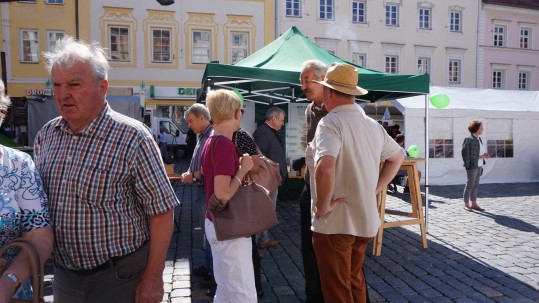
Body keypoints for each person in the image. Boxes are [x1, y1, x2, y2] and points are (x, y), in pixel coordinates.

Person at [34, 36, 179, 303]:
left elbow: (161, 212)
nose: (63, 93)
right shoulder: (46, 135)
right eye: (56, 84)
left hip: (120, 278)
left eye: (74, 84)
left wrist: (153, 277)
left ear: (102, 87)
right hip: (64, 277)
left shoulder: (133, 137)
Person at [311, 63, 404, 302]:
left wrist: (323, 206)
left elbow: (325, 168)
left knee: (338, 291)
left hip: (336, 223)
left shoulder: (331, 122)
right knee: (354, 280)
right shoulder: (372, 126)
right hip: (363, 220)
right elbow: (397, 156)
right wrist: (378, 186)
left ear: (329, 92)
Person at [200, 89, 257, 302]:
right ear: (235, 113)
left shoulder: (211, 140)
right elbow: (223, 194)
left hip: (216, 221)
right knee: (242, 293)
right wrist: (243, 169)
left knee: (225, 289)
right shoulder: (223, 143)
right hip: (228, 224)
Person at [0, 80, 53, 302]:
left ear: (2, 111)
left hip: (12, 293)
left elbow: (39, 236)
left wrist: (9, 281)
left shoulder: (18, 165)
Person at [298, 59, 328, 303]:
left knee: (330, 246)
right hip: (310, 185)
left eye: (307, 80)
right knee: (308, 243)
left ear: (322, 78)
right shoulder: (310, 109)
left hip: (329, 186)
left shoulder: (336, 108)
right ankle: (313, 295)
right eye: (301, 81)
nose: (303, 85)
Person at [180, 103, 215, 295]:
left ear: (202, 117)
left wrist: (193, 176)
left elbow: (209, 167)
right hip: (201, 190)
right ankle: (208, 268)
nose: (189, 126)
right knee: (206, 234)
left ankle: (212, 274)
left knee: (211, 234)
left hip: (206, 191)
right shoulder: (202, 135)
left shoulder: (211, 135)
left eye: (191, 121)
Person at [232, 127, 263, 298]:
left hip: (243, 196)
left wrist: (236, 167)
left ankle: (255, 287)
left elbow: (255, 165)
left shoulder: (241, 135)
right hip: (234, 197)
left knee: (249, 246)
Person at [253, 107, 287, 250]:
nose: (282, 124)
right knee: (264, 210)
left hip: (271, 179)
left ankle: (263, 239)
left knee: (268, 210)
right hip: (267, 180)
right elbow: (258, 157)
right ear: (273, 119)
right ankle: (256, 242)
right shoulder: (263, 132)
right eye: (281, 120)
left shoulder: (268, 132)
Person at [461, 120, 489, 211]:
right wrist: (481, 156)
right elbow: (466, 154)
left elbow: (478, 151)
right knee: (470, 184)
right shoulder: (468, 140)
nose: (483, 129)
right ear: (476, 129)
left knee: (475, 185)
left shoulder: (479, 139)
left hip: (479, 164)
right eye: (481, 127)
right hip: (472, 165)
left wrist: (485, 154)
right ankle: (466, 204)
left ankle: (474, 203)